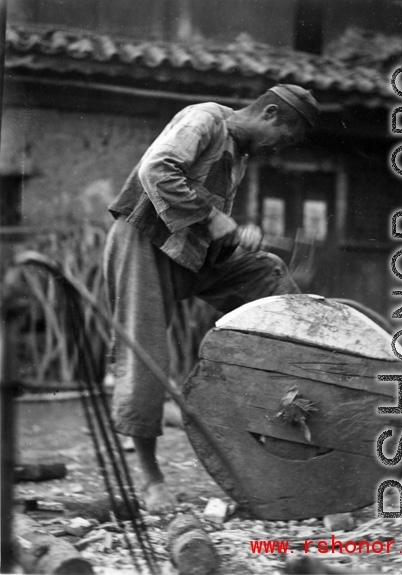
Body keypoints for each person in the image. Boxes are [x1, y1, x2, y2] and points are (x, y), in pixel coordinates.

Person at [103, 84, 320, 512]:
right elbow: (158, 171)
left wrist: (238, 238)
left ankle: (298, 375)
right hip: (143, 242)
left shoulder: (238, 154)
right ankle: (150, 480)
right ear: (271, 114)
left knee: (268, 272)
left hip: (188, 252)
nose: (279, 148)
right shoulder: (203, 119)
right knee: (145, 355)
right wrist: (219, 219)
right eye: (284, 137)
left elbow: (207, 218)